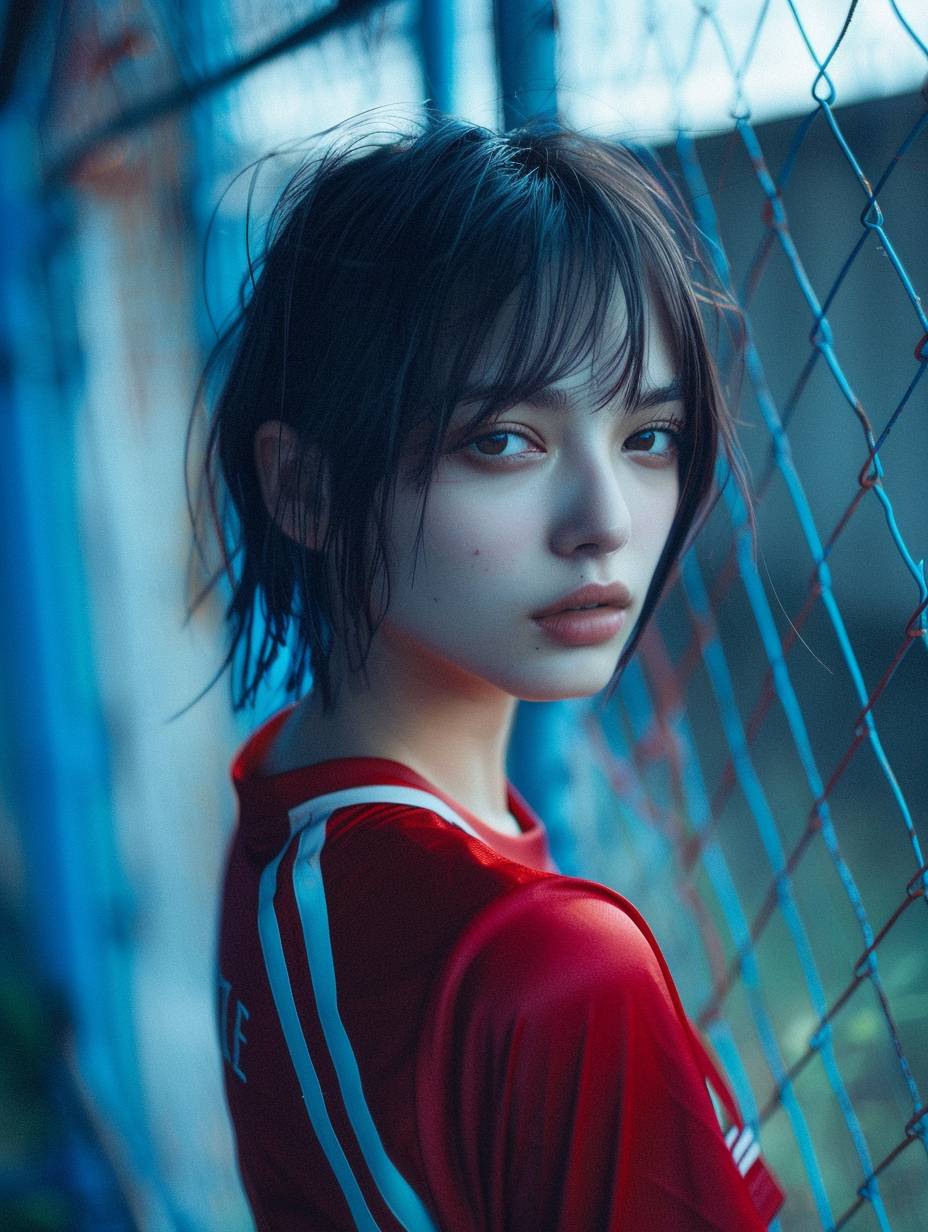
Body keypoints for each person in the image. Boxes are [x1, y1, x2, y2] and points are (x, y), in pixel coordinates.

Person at [192, 113, 785, 1230]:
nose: (604, 523)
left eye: (647, 436)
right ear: (306, 489)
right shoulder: (554, 963)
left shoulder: (284, 806)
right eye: (501, 440)